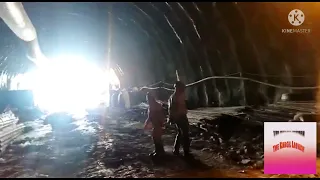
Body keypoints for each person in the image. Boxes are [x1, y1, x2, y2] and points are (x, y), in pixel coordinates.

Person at [168, 81, 191, 157]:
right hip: (180, 117)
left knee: (181, 133)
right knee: (185, 133)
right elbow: (172, 108)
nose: (183, 89)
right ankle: (186, 151)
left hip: (182, 115)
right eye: (182, 88)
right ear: (178, 88)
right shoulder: (174, 97)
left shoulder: (180, 95)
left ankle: (176, 149)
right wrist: (172, 118)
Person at [144, 92, 165, 157]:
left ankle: (159, 152)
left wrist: (147, 124)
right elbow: (150, 116)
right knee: (156, 137)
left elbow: (152, 116)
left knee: (156, 137)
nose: (147, 100)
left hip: (157, 124)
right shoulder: (153, 105)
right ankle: (159, 151)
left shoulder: (155, 106)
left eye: (148, 98)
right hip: (157, 124)